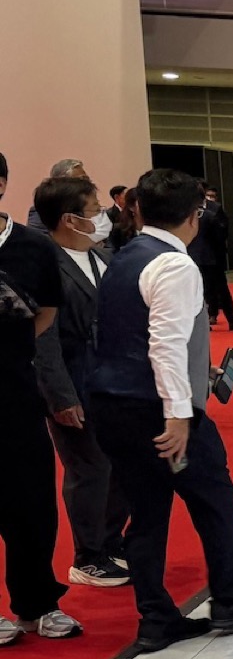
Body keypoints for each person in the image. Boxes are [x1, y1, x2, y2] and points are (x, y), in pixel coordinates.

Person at [89, 168, 233, 652]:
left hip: (113, 403)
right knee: (215, 499)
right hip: (158, 411)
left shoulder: (124, 255)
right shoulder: (175, 265)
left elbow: (131, 334)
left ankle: (156, 617)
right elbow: (165, 347)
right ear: (195, 215)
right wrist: (178, 416)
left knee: (147, 511)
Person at [0, 152, 83, 642]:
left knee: (31, 505)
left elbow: (47, 312)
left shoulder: (32, 247)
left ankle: (37, 604)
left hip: (17, 393)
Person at [33, 175, 130, 587]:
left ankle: (110, 540)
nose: (103, 217)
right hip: (74, 382)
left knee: (120, 465)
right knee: (89, 469)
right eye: (95, 210)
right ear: (70, 219)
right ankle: (88, 556)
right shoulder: (44, 263)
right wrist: (60, 397)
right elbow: (44, 339)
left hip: (115, 382)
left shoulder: (102, 256)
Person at [192, 183, 233, 331]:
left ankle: (224, 319)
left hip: (203, 257)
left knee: (208, 290)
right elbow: (219, 236)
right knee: (216, 289)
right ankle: (228, 319)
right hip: (209, 257)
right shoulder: (207, 215)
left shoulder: (191, 215)